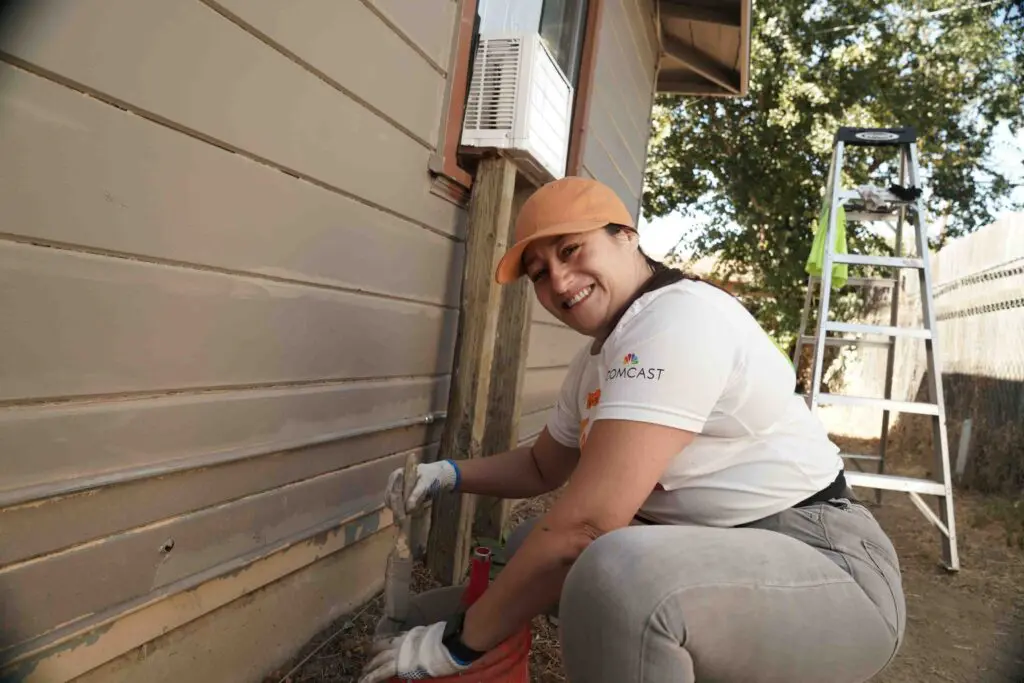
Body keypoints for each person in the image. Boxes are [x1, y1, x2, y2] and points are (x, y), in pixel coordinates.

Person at [360, 177, 906, 683]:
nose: (560, 281)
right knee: (535, 547)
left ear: (626, 236)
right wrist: (448, 474)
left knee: (617, 575)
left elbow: (589, 526)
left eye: (571, 250)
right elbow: (541, 467)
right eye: (540, 274)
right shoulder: (597, 361)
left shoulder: (679, 320)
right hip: (725, 553)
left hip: (825, 565)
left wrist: (458, 645)